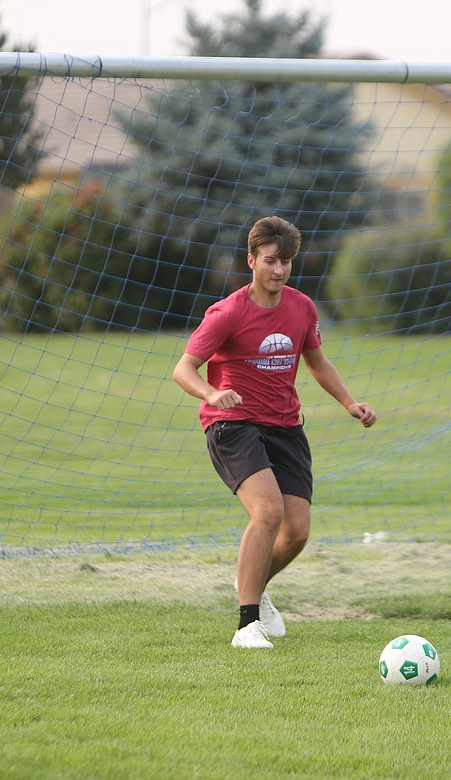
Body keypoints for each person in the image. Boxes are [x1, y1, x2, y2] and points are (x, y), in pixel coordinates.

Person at [173, 216, 377, 649]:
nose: (278, 270)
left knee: (296, 531)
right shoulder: (227, 312)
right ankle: (246, 625)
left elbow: (317, 362)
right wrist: (212, 393)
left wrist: (349, 403)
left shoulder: (302, 307)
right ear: (250, 261)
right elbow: (183, 368)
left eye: (285, 262)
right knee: (267, 512)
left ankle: (252, 584)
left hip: (285, 425)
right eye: (269, 261)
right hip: (233, 424)